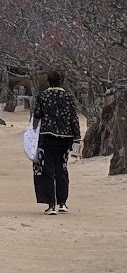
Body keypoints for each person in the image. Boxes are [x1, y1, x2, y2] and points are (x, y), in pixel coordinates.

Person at [32, 69, 81, 214]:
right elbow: (74, 118)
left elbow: (37, 116)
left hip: (46, 138)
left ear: (48, 81)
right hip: (65, 139)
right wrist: (77, 137)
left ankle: (50, 205)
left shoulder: (43, 96)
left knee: (48, 170)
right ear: (62, 81)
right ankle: (62, 202)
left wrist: (33, 131)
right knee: (62, 169)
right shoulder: (68, 97)